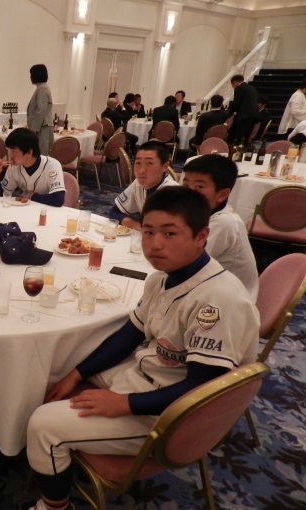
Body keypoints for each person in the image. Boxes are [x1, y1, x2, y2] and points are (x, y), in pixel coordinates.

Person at [25, 186, 259, 510]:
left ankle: (53, 504)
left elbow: (202, 388)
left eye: (170, 233)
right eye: (148, 232)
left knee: (43, 426)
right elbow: (128, 336)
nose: (155, 244)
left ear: (201, 236)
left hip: (168, 415)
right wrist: (75, 374)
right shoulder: (161, 278)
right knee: (55, 370)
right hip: (145, 374)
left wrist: (124, 404)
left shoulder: (218, 300)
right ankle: (46, 454)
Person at [182, 155, 258, 300]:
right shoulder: (200, 213)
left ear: (222, 195)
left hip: (230, 300)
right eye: (186, 185)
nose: (189, 193)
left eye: (199, 187)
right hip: (207, 286)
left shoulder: (224, 223)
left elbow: (186, 262)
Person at [108, 141, 178, 229]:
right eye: (138, 163)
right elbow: (114, 212)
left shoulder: (172, 193)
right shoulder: (138, 183)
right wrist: (136, 225)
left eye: (149, 163)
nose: (141, 170)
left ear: (165, 166)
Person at [0, 127, 65, 207]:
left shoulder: (52, 165)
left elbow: (58, 199)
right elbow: (2, 196)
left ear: (29, 152)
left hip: (46, 209)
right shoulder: (14, 167)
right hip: (25, 208)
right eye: (10, 150)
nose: (10, 155)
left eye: (14, 151)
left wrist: (33, 197)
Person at [27, 64, 54, 156]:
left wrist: (34, 128)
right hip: (42, 125)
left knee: (41, 154)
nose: (30, 77)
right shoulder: (42, 87)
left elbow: (41, 110)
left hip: (42, 126)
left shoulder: (42, 89)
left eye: (31, 74)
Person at [227, 74, 259, 144]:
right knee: (246, 136)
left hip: (244, 115)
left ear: (234, 82)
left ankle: (237, 148)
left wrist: (230, 114)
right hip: (253, 115)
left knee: (239, 135)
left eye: (232, 84)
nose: (233, 87)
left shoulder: (239, 88)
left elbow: (236, 103)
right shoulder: (251, 88)